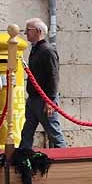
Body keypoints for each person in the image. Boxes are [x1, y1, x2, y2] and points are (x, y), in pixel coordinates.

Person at [19, 18, 68, 150]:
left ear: (38, 31)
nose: (25, 33)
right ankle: (22, 158)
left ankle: (66, 159)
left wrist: (50, 100)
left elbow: (53, 76)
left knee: (54, 133)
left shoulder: (47, 50)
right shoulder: (36, 50)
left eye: (28, 30)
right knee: (27, 132)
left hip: (44, 99)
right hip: (33, 99)